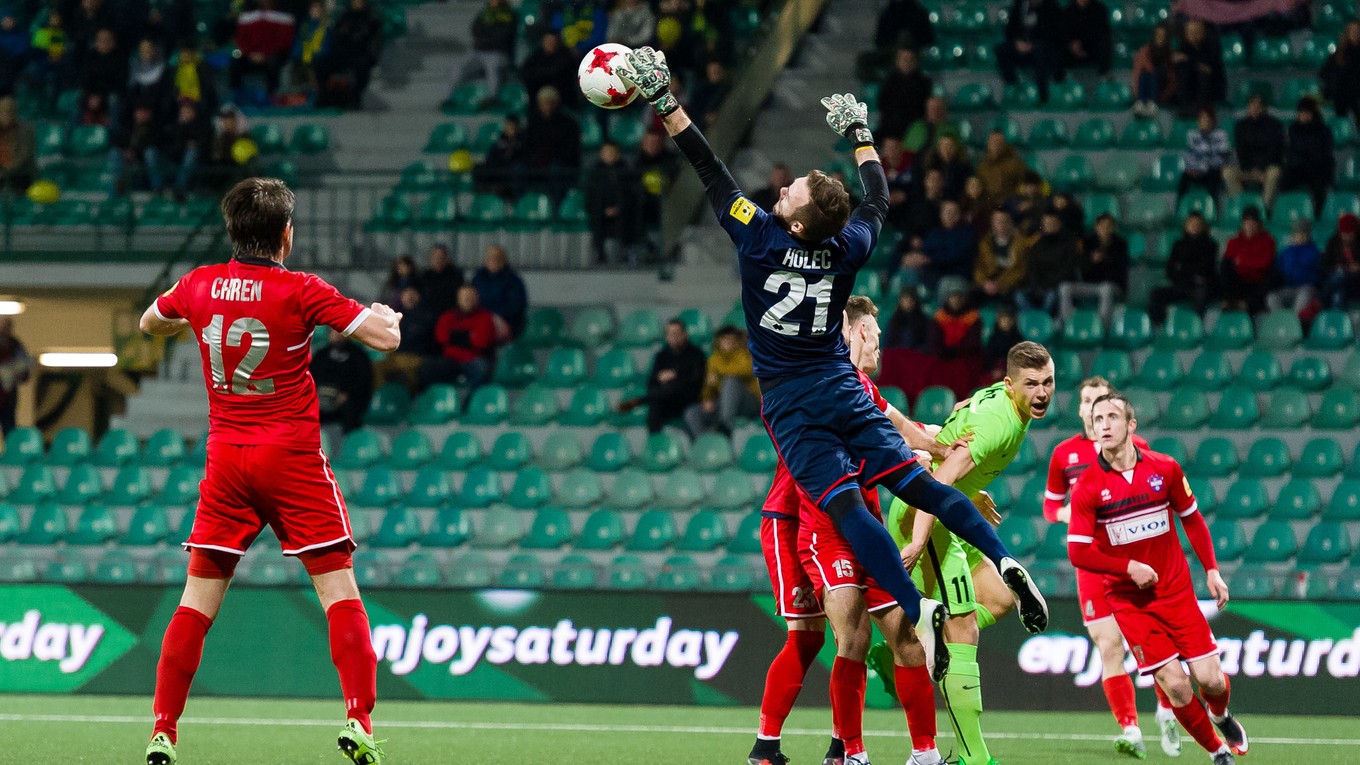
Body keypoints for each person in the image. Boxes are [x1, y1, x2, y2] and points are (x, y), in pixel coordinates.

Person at [613, 51, 1047, 748]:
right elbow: (877, 198)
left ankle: (913, 606)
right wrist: (862, 135)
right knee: (915, 483)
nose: (783, 188)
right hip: (843, 387)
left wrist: (665, 99)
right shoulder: (846, 247)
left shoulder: (757, 238)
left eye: (792, 191)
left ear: (792, 219)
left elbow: (707, 166)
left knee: (847, 507)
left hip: (793, 402)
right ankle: (1003, 556)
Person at [136, 177, 400, 765]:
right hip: (292, 459)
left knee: (196, 602)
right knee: (337, 590)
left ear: (233, 231)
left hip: (227, 460)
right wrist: (389, 316)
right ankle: (357, 720)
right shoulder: (300, 289)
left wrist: (194, 321)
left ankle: (163, 732)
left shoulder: (197, 284)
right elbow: (382, 339)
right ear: (285, 234)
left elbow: (149, 324)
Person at [750, 295, 966, 765]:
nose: (880, 342)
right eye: (875, 332)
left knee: (894, 635)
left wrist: (941, 445)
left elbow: (898, 426)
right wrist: (912, 458)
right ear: (859, 332)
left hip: (855, 517)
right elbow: (867, 446)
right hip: (797, 518)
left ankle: (871, 751)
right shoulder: (816, 379)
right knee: (816, 635)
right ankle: (779, 747)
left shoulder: (860, 385)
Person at [881, 341, 1056, 765]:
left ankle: (910, 644)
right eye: (1031, 384)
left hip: (950, 515)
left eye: (1048, 382)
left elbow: (962, 409)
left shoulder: (1001, 399)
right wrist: (919, 539)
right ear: (1011, 383)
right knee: (964, 631)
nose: (1042, 392)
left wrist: (970, 490)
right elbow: (938, 481)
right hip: (926, 516)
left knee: (996, 600)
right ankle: (974, 757)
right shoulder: (999, 424)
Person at [1069, 394, 1249, 765]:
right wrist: (1127, 569)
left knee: (1211, 681)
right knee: (1176, 685)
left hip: (1176, 592)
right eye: (1097, 418)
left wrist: (1212, 570)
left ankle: (1219, 715)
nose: (1103, 424)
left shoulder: (1165, 469)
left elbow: (1193, 519)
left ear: (1131, 426)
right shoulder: (1088, 486)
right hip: (1129, 602)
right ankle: (1217, 752)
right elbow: (1078, 552)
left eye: (1112, 417)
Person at [1043, 376, 1178, 759]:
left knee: (1155, 643)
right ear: (1081, 409)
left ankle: (1167, 709)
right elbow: (1050, 507)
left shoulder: (1139, 449)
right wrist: (1067, 512)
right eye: (1087, 401)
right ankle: (1130, 728)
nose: (1094, 409)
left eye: (1102, 402)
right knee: (1108, 645)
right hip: (1091, 565)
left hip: (1131, 561)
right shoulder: (1063, 454)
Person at [419, 285, 497, 391]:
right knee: (427, 367)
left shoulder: (485, 316)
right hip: (450, 359)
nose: (467, 300)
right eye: (464, 297)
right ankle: (436, 398)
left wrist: (454, 336)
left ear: (477, 298)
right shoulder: (448, 316)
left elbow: (482, 342)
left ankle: (469, 402)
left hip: (473, 359)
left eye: (470, 297)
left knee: (482, 368)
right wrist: (468, 336)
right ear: (458, 299)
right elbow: (441, 337)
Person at [684, 325, 758, 437]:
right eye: (724, 339)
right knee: (692, 413)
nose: (727, 342)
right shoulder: (714, 360)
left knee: (731, 381)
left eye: (730, 339)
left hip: (751, 402)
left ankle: (725, 426)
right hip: (724, 403)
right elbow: (709, 385)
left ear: (737, 341)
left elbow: (746, 369)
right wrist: (708, 399)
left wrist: (719, 374)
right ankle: (707, 443)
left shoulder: (746, 354)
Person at [315, 0, 384, 110]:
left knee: (361, 68)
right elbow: (337, 36)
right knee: (322, 64)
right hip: (343, 54)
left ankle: (355, 97)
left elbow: (374, 41)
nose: (356, 2)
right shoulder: (345, 17)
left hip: (362, 54)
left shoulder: (371, 19)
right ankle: (324, 96)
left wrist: (371, 58)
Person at [1063, 212, 1128, 323]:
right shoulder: (1088, 243)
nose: (1105, 229)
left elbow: (1120, 272)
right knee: (1065, 287)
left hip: (1112, 286)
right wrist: (1091, 261)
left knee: (1106, 288)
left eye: (1109, 226)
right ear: (1096, 227)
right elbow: (1082, 269)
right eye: (1102, 225)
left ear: (1113, 228)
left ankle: (1102, 326)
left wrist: (1106, 259)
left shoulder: (1121, 245)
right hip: (1090, 285)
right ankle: (1067, 323)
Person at [585, 140, 642, 264]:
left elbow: (630, 194)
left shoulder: (625, 170)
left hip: (622, 210)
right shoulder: (595, 172)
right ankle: (599, 253)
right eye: (607, 152)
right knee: (596, 218)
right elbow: (591, 197)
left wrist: (618, 208)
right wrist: (602, 209)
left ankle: (627, 251)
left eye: (612, 152)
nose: (610, 155)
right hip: (600, 211)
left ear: (618, 153)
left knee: (632, 215)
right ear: (601, 154)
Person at [1223, 93, 1284, 210]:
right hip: (1248, 168)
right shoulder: (1241, 126)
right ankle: (1241, 207)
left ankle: (1264, 210)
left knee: (1274, 173)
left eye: (1258, 105)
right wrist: (1250, 170)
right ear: (1248, 107)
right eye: (1252, 105)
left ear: (1264, 108)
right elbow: (1241, 151)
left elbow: (1275, 151)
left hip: (1267, 168)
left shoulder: (1275, 125)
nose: (1255, 108)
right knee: (1227, 172)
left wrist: (1261, 170)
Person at [996, 0, 1064, 103]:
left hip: (1042, 46)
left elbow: (1054, 33)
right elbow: (1010, 29)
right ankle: (1012, 85)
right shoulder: (1020, 5)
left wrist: (1032, 44)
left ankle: (1042, 94)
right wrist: (1017, 42)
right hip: (1021, 45)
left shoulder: (1052, 6)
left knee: (1042, 52)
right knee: (1002, 50)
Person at [452, 0, 516, 106]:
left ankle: (492, 97)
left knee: (492, 67)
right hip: (479, 52)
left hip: (499, 53)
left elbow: (502, 36)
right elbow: (475, 29)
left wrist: (486, 34)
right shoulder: (483, 13)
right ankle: (449, 98)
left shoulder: (509, 14)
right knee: (459, 67)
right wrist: (490, 33)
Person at [229, 0, 296, 99]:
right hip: (250, 55)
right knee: (235, 62)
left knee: (273, 62)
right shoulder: (246, 17)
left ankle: (272, 95)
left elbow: (284, 42)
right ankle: (236, 95)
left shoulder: (285, 18)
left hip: (273, 54)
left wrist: (265, 54)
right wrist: (250, 53)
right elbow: (241, 40)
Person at [312, 329, 375, 435]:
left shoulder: (359, 356)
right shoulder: (320, 355)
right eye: (333, 332)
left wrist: (346, 394)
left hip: (349, 399)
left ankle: (349, 443)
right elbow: (313, 377)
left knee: (350, 410)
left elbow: (363, 381)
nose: (337, 335)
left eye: (340, 332)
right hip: (322, 397)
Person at [1019, 209, 1080, 315]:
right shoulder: (1037, 245)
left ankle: (1043, 320)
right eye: (1046, 224)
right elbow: (1033, 269)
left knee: (1051, 295)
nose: (1049, 226)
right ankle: (1031, 318)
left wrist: (1047, 286)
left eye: (1053, 223)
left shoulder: (1069, 244)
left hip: (1057, 286)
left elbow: (1067, 271)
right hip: (1040, 287)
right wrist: (1036, 286)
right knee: (1019, 295)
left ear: (1059, 224)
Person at [1280, 96, 1335, 215]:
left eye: (1306, 112)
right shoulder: (1293, 129)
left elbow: (1323, 153)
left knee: (1319, 186)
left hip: (1317, 168)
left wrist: (1306, 157)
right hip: (1298, 167)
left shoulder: (1324, 130)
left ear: (1313, 114)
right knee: (1284, 182)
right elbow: (1291, 151)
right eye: (1301, 112)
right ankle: (1286, 212)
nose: (1303, 115)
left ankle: (1318, 214)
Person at [373, 286, 435, 391]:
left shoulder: (427, 316)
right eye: (405, 294)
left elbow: (421, 339)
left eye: (412, 294)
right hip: (397, 356)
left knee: (408, 375)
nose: (409, 297)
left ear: (418, 296)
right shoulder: (398, 315)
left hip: (416, 357)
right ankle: (382, 398)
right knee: (376, 367)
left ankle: (407, 399)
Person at [1220, 206, 1276, 315]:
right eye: (1247, 223)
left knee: (1272, 276)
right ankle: (1230, 301)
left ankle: (1247, 305)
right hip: (1240, 279)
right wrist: (1248, 262)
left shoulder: (1268, 241)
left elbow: (1264, 264)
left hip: (1258, 280)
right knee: (1225, 265)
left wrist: (1242, 262)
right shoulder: (1234, 241)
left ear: (1259, 224)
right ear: (1243, 224)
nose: (1250, 226)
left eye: (1253, 223)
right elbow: (1228, 263)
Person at [973, 208, 1032, 305]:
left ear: (1011, 223)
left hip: (1009, 285)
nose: (1001, 225)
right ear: (992, 223)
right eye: (998, 221)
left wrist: (1000, 284)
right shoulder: (985, 243)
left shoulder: (1021, 244)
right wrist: (984, 283)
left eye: (1005, 221)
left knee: (1011, 298)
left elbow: (1021, 270)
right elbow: (978, 267)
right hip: (988, 283)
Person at [470, 243, 528, 338]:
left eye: (497, 257)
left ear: (504, 260)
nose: (493, 260)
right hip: (479, 319)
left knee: (484, 330)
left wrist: (489, 316)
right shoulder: (477, 278)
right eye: (490, 257)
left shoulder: (513, 281)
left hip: (506, 321)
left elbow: (515, 307)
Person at [1268, 219, 1322, 316]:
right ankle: (1282, 320)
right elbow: (1278, 270)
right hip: (1288, 288)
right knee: (1272, 297)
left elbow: (1317, 274)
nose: (1300, 237)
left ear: (1308, 235)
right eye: (1297, 233)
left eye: (1303, 234)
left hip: (1306, 287)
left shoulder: (1314, 252)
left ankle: (1293, 323)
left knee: (1304, 296)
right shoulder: (1286, 252)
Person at [877, 47, 932, 141]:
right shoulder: (888, 82)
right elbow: (883, 106)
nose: (907, 63)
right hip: (892, 128)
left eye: (911, 59)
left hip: (916, 128)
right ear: (897, 61)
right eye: (904, 59)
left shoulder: (924, 83)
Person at [1179, 106, 1229, 203]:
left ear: (1212, 120)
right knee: (1184, 177)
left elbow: (1222, 158)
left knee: (1213, 175)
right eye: (1201, 119)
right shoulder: (1192, 135)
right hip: (1197, 169)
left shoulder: (1221, 135)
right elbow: (1191, 156)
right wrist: (1193, 168)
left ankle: (1214, 208)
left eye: (1207, 118)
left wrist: (1204, 167)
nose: (1204, 122)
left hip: (1212, 170)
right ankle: (1180, 207)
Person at [974, 129, 1028, 212]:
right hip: (988, 205)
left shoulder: (1016, 164)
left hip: (1009, 205)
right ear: (988, 144)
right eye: (993, 142)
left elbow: (1026, 184)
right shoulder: (982, 166)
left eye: (999, 142)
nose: (996, 145)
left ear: (1004, 144)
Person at [1321, 20, 1360, 128]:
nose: (1355, 34)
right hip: (1342, 95)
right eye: (1352, 31)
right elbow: (1325, 72)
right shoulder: (1339, 54)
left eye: (1357, 31)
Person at [1131, 23, 1175, 117]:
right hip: (1144, 87)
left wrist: (1163, 98)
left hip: (1159, 91)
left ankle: (1152, 103)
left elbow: (1172, 80)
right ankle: (1140, 103)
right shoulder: (1144, 51)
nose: (1160, 37)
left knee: (1153, 74)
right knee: (1145, 74)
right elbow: (1136, 75)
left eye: (1163, 35)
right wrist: (1136, 93)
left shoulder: (1170, 54)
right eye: (1158, 34)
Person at [0, 316, 33, 436]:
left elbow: (25, 374)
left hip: (7, 400)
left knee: (10, 434)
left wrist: (11, 372)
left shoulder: (15, 345)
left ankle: (12, 454)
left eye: (7, 326)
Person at [1061, 0, 1112, 77]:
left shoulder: (1100, 10)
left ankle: (1104, 75)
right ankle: (1059, 79)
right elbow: (1064, 34)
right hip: (1072, 53)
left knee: (1105, 43)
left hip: (1093, 50)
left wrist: (1086, 48)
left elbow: (1102, 33)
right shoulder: (1068, 11)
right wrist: (1072, 45)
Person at [1322, 213, 1360, 308]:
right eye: (1344, 234)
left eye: (1349, 234)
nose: (1346, 237)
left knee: (1340, 277)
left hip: (1355, 282)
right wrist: (1337, 267)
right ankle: (1336, 318)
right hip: (1340, 283)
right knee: (1338, 294)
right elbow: (1325, 265)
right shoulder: (1333, 242)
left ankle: (1320, 298)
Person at [0, 96, 35, 191]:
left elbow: (24, 157)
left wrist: (4, 172)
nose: (7, 115)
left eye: (10, 112)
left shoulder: (26, 131)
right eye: (3, 112)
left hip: (20, 174)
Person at [420, 244, 463, 316]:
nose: (438, 260)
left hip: (450, 315)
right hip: (427, 315)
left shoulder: (455, 276)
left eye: (441, 257)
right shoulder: (424, 277)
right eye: (435, 257)